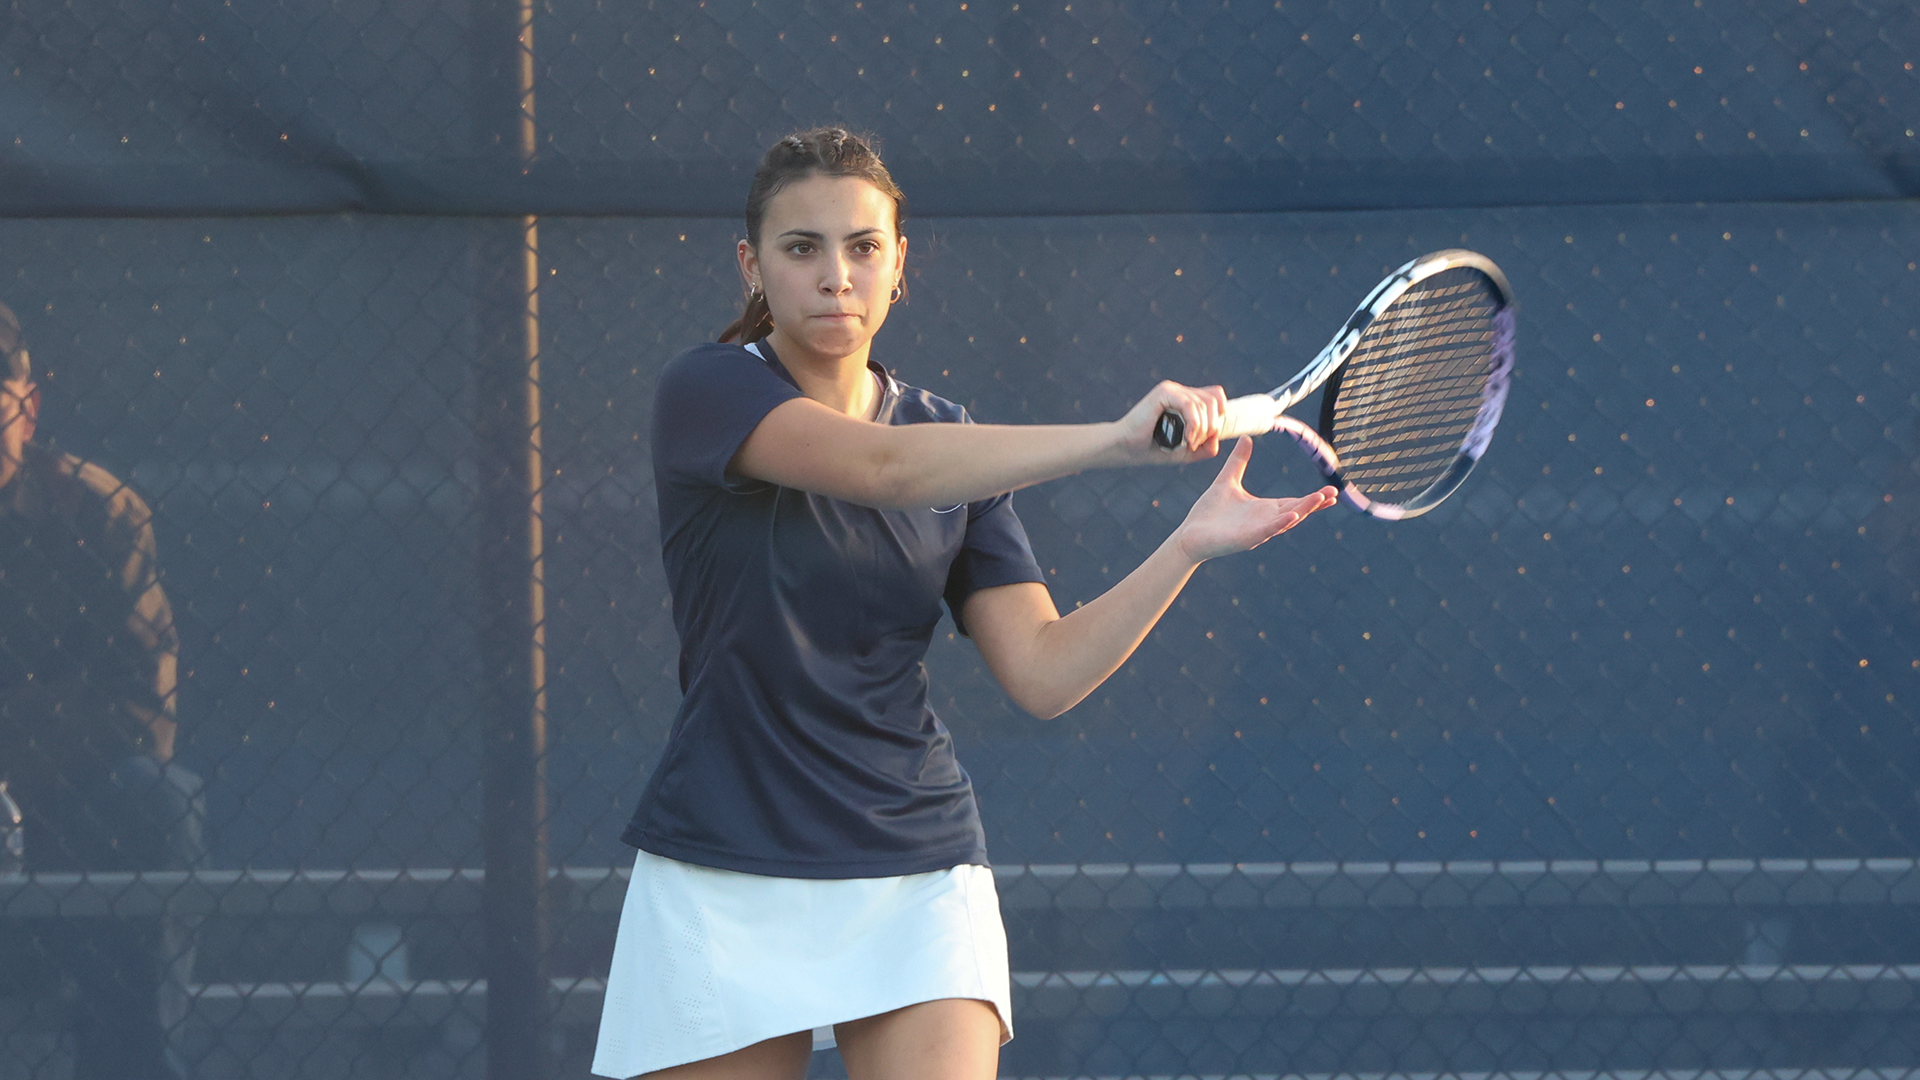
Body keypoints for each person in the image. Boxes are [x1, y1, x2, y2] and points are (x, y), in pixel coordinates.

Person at [590, 127, 1337, 1080]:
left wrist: (1184, 545)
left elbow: (1043, 670)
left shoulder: (951, 437)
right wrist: (1116, 442)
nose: (835, 276)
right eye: (801, 248)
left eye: (863, 248)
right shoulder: (707, 390)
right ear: (752, 265)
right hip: (722, 859)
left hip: (913, 865)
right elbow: (882, 469)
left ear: (899, 263)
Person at [0, 301, 203, 1080]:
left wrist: (14, 766)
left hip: (66, 817)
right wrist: (47, 706)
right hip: (54, 774)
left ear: (28, 406)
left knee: (154, 802)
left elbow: (139, 714)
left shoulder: (96, 511)